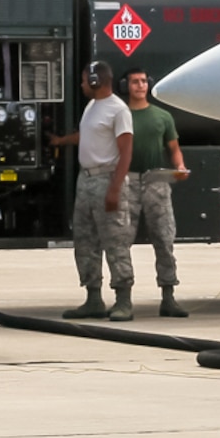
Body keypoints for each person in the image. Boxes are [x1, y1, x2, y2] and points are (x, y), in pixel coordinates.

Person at [50, 60, 136, 321]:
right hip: (85, 181)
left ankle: (123, 300)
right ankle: (93, 297)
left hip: (107, 178)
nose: (82, 84)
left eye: (85, 79)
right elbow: (87, 136)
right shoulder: (93, 107)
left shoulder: (118, 110)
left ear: (97, 81)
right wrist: (62, 141)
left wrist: (115, 189)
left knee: (115, 241)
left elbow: (126, 151)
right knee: (85, 241)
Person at [122, 66, 191, 318]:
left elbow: (173, 147)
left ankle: (169, 296)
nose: (140, 86)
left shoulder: (162, 116)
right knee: (121, 240)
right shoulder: (120, 115)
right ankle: (123, 298)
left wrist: (179, 166)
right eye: (134, 82)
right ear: (125, 86)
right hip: (126, 181)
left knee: (164, 238)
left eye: (143, 81)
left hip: (156, 181)